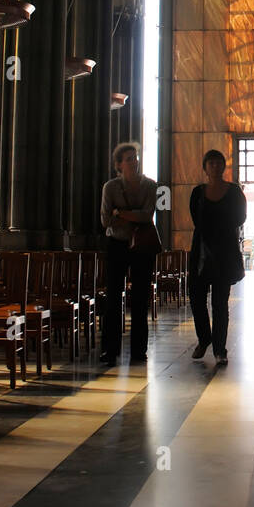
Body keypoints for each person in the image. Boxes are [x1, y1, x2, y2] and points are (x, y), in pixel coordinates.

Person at [99, 142, 158, 366]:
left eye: (136, 157)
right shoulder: (110, 187)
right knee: (113, 297)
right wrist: (132, 215)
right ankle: (110, 350)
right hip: (116, 244)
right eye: (129, 159)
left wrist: (120, 213)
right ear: (119, 164)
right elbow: (105, 220)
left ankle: (138, 351)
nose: (134, 162)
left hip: (142, 246)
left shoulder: (150, 186)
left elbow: (147, 216)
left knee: (141, 298)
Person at [189, 150, 247, 364]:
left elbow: (240, 217)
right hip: (201, 250)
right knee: (196, 298)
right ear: (205, 167)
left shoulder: (233, 192)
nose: (214, 166)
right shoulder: (198, 192)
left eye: (218, 163)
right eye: (210, 163)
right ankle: (204, 338)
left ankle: (220, 348)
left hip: (225, 251)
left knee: (220, 303)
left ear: (223, 166)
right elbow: (196, 217)